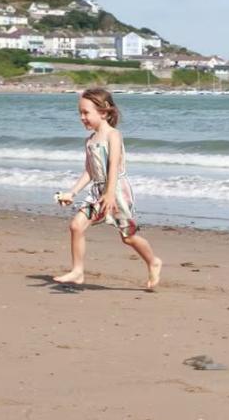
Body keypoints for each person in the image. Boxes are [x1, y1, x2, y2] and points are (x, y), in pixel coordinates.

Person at [54, 88, 162, 289]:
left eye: (86, 113)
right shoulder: (89, 141)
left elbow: (113, 165)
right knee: (76, 226)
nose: (82, 117)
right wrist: (72, 192)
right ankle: (78, 271)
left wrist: (110, 193)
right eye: (80, 113)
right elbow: (89, 171)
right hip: (97, 192)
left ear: (104, 112)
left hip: (117, 192)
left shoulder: (114, 135)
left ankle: (153, 261)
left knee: (128, 237)